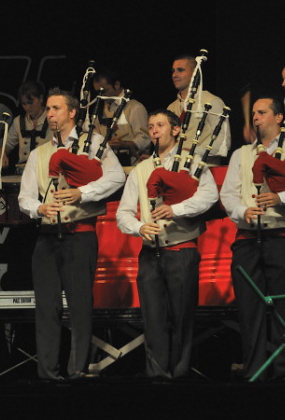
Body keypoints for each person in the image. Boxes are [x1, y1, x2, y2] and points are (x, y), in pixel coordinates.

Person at [18, 88, 126, 380]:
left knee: (80, 306)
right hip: (47, 235)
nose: (50, 114)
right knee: (46, 307)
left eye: (55, 108)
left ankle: (77, 370)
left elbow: (117, 177)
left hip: (80, 233)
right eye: (48, 109)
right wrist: (39, 208)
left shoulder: (93, 144)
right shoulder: (40, 153)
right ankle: (48, 373)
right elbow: (25, 197)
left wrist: (83, 192)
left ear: (72, 112)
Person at [219, 97, 285, 381]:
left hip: (283, 235)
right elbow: (228, 194)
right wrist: (242, 211)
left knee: (283, 309)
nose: (255, 117)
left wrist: (282, 197)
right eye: (253, 113)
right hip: (247, 238)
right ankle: (255, 373)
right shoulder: (241, 154)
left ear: (279, 118)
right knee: (248, 309)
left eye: (262, 112)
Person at [116, 110, 218, 379]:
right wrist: (139, 227)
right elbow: (123, 212)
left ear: (176, 130)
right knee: (153, 319)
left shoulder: (192, 163)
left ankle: (180, 375)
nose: (154, 130)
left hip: (182, 249)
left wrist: (176, 209)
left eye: (160, 125)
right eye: (151, 126)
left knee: (182, 318)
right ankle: (157, 376)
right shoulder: (141, 170)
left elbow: (209, 196)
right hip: (150, 253)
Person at [168, 53, 230, 163]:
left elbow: (223, 142)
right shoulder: (171, 108)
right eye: (173, 71)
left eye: (180, 70)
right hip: (175, 168)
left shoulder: (212, 102)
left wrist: (193, 152)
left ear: (194, 73)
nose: (175, 75)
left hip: (205, 169)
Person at [91, 68, 150, 164]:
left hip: (132, 164)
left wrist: (125, 144)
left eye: (104, 91)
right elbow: (95, 136)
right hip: (107, 165)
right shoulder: (99, 110)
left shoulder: (134, 107)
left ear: (117, 85)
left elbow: (145, 138)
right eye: (98, 92)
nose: (101, 95)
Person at [2, 80, 48, 169]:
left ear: (41, 99)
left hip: (46, 170)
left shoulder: (53, 119)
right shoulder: (19, 121)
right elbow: (8, 144)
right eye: (24, 104)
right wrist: (2, 154)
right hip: (23, 170)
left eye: (30, 102)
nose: (27, 107)